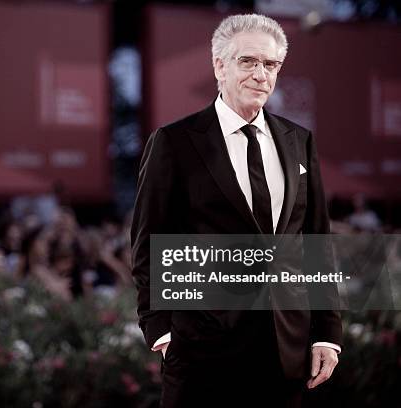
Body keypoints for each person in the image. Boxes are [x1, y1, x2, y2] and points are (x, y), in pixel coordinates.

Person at [130, 14, 342, 407]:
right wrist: (161, 330)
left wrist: (326, 332)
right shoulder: (174, 143)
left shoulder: (299, 141)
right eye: (249, 61)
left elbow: (316, 242)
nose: (261, 74)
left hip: (288, 352)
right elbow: (148, 243)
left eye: (271, 64)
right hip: (202, 354)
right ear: (219, 65)